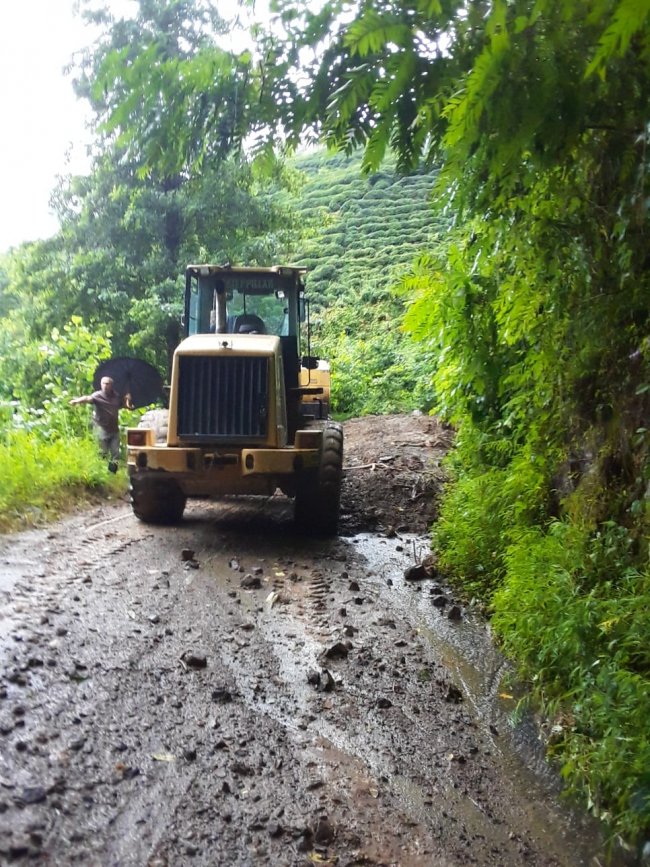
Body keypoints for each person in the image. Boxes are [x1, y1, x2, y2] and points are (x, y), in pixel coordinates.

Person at [70, 377, 133, 472]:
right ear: (100, 384)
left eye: (107, 384)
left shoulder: (116, 396)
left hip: (114, 430)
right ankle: (102, 472)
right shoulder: (97, 396)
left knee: (115, 454)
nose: (105, 386)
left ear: (111, 385)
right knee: (103, 453)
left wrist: (128, 400)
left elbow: (126, 406)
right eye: (103, 383)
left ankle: (112, 474)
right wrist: (77, 401)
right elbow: (87, 398)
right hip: (102, 428)